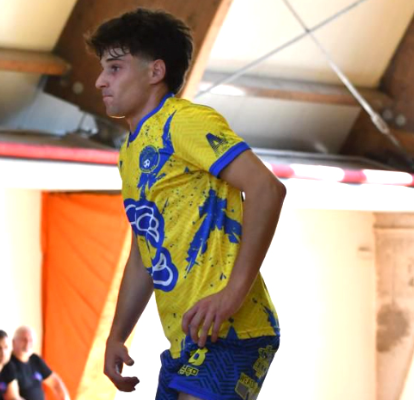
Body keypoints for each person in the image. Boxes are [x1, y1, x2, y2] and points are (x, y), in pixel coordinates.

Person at [87, 8, 286, 400]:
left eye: (115, 68)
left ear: (156, 71)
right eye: (102, 69)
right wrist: (116, 335)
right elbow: (144, 254)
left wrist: (232, 293)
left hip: (236, 330)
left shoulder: (184, 122)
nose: (99, 81)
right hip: (188, 339)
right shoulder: (129, 153)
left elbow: (267, 189)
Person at [10, 326, 70, 400]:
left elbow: (55, 383)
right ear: (13, 342)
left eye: (31, 340)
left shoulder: (35, 359)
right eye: (24, 340)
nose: (27, 344)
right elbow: (12, 397)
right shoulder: (8, 365)